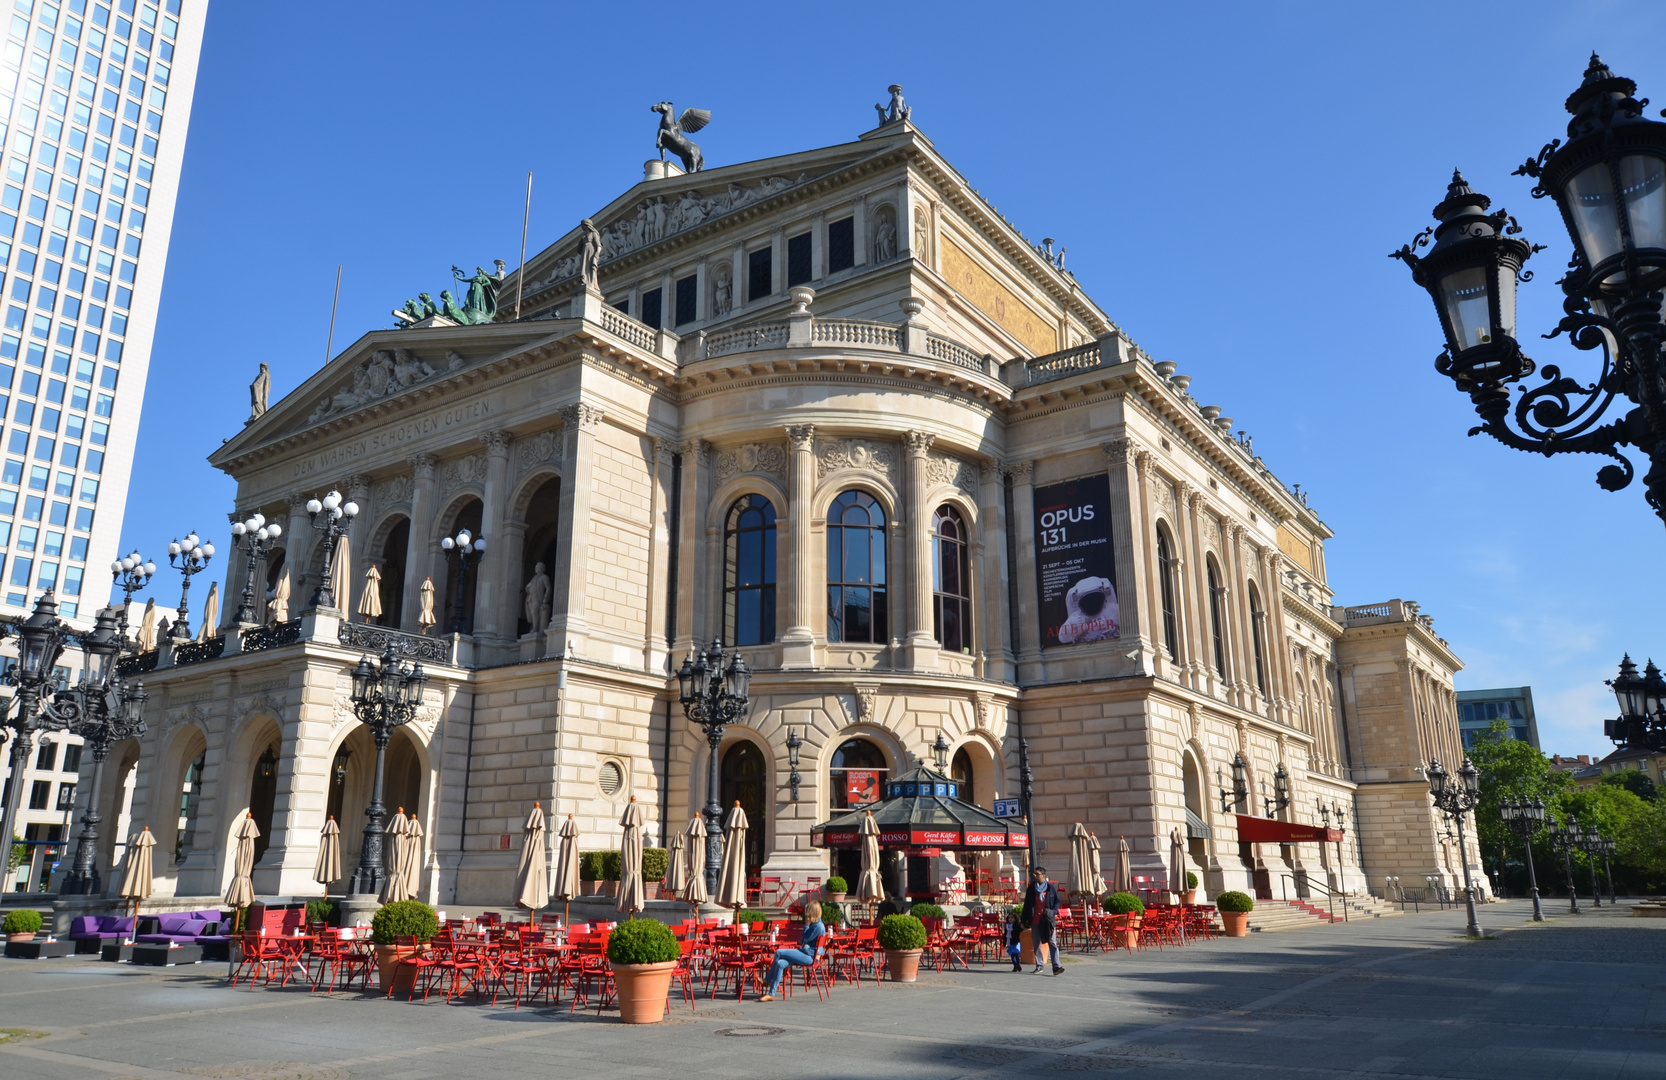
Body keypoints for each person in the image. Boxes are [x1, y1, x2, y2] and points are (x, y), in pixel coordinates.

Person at [758, 900, 828, 1002]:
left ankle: (768, 980)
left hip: (809, 957)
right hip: (807, 953)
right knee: (780, 963)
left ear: (813, 913)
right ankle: (771, 994)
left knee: (778, 952)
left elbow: (803, 940)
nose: (806, 915)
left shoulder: (817, 927)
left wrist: (806, 925)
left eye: (808, 912)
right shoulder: (818, 923)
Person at [1020, 866, 1063, 976]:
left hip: (1048, 920)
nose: (1034, 876)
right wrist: (1023, 920)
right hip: (1035, 920)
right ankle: (1039, 965)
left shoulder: (1050, 888)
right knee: (1036, 943)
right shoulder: (1031, 889)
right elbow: (1027, 905)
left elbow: (1057, 902)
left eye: (1037, 874)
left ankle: (1056, 966)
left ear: (1043, 876)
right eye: (1034, 874)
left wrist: (1052, 912)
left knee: (1052, 942)